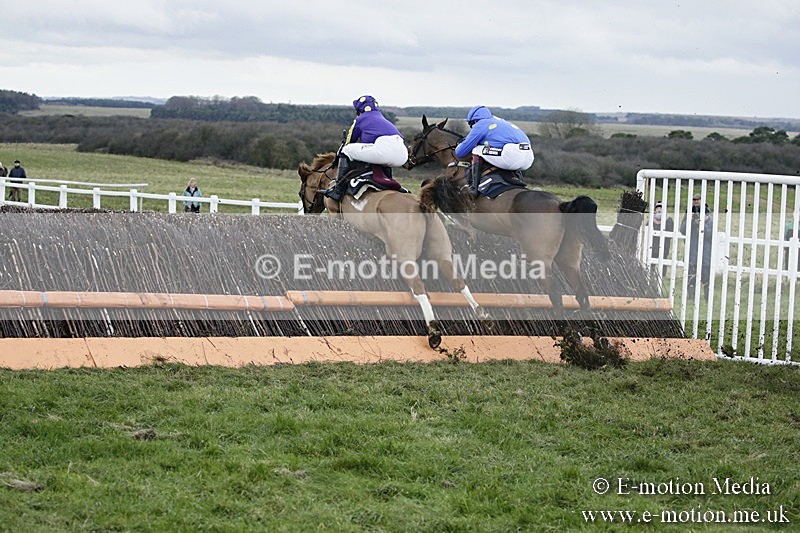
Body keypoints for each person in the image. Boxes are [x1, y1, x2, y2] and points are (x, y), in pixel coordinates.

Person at [325, 95, 408, 202]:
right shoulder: (383, 119)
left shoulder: (360, 119)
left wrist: (337, 156)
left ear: (360, 109)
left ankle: (338, 189)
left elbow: (348, 142)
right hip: (402, 153)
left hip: (383, 150)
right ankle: (391, 184)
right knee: (383, 157)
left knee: (347, 150)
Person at [454, 105, 534, 196]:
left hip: (512, 156)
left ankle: (474, 188)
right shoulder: (500, 121)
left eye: (470, 125)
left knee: (476, 149)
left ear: (474, 121)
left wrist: (461, 143)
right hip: (528, 157)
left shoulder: (481, 124)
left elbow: (460, 152)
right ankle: (519, 181)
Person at [679, 194, 713, 296]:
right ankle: (690, 297)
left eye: (698, 199)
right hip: (692, 251)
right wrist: (690, 220)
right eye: (694, 199)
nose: (696, 201)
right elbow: (683, 230)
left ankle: (707, 297)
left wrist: (701, 223)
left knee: (706, 277)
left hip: (705, 253)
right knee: (691, 276)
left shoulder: (709, 218)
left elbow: (709, 234)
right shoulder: (689, 212)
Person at [650, 203, 674, 277]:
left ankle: (662, 275)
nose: (659, 209)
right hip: (653, 244)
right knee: (652, 259)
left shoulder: (669, 220)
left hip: (664, 244)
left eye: (661, 208)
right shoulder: (651, 219)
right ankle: (650, 274)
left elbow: (670, 231)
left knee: (663, 259)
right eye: (657, 208)